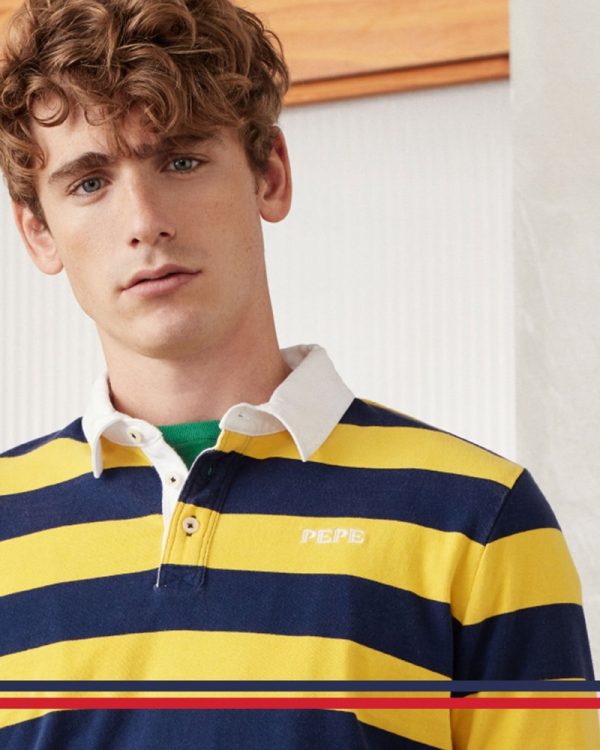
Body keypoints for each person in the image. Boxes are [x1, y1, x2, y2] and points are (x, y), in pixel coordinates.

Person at [0, 0, 597, 748]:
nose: (144, 220)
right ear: (38, 231)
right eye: (89, 183)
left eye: (180, 160)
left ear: (270, 174)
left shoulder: (478, 522)